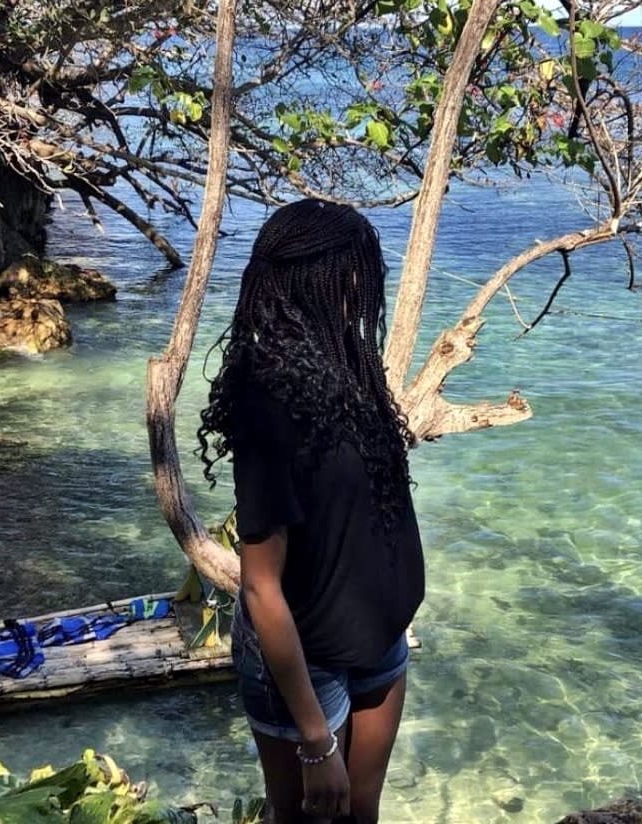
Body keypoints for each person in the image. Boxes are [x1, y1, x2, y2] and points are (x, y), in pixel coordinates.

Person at [197, 199, 425, 823]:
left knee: (361, 815)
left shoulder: (351, 364)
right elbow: (261, 587)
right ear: (310, 277)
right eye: (355, 271)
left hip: (380, 639)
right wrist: (316, 741)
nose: (367, 286)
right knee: (307, 819)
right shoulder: (268, 399)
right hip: (307, 662)